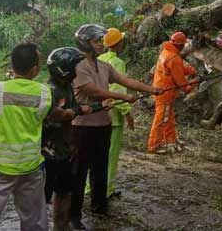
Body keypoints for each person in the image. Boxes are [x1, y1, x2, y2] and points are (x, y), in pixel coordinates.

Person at [0, 43, 77, 231]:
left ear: (13, 65)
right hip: (30, 168)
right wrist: (72, 113)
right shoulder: (45, 94)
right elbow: (57, 116)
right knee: (34, 222)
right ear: (35, 69)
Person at [69, 24, 161, 230]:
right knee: (79, 171)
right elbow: (92, 90)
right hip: (82, 128)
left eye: (101, 41)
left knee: (100, 168)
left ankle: (100, 206)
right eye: (96, 41)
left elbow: (125, 80)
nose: (101, 44)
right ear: (85, 43)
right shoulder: (78, 65)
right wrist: (122, 96)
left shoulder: (103, 66)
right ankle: (73, 216)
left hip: (103, 124)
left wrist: (152, 89)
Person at [42, 47, 97, 231]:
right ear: (64, 69)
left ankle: (61, 226)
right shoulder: (50, 91)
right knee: (42, 197)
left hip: (64, 150)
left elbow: (73, 109)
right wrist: (75, 111)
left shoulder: (67, 88)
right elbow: (57, 115)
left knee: (65, 191)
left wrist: (93, 107)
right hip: (48, 154)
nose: (77, 71)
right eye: (74, 67)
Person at [86, 27, 133, 199]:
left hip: (97, 114)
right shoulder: (117, 62)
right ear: (119, 43)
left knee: (94, 154)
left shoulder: (98, 59)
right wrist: (127, 112)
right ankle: (107, 190)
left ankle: (88, 188)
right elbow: (117, 89)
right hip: (113, 116)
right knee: (110, 155)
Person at [147, 31, 197, 154]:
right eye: (183, 44)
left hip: (161, 89)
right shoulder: (174, 58)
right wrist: (194, 83)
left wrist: (192, 71)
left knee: (168, 117)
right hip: (165, 92)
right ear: (180, 45)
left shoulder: (167, 52)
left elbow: (179, 68)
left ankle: (171, 140)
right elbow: (182, 84)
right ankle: (154, 145)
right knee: (161, 119)